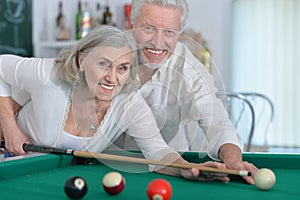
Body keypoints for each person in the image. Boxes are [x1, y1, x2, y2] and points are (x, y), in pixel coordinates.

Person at [0, 25, 230, 182]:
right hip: (11, 167)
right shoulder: (49, 74)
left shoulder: (129, 103)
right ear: (82, 60)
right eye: (103, 64)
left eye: (122, 68)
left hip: (60, 181)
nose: (112, 77)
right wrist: (10, 129)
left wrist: (189, 170)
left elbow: (158, 152)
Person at [111, 0, 257, 184]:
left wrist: (234, 160)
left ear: (179, 33)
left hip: (174, 171)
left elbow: (217, 122)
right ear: (131, 26)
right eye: (149, 28)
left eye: (169, 32)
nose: (157, 42)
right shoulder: (109, 56)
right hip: (109, 166)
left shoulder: (189, 69)